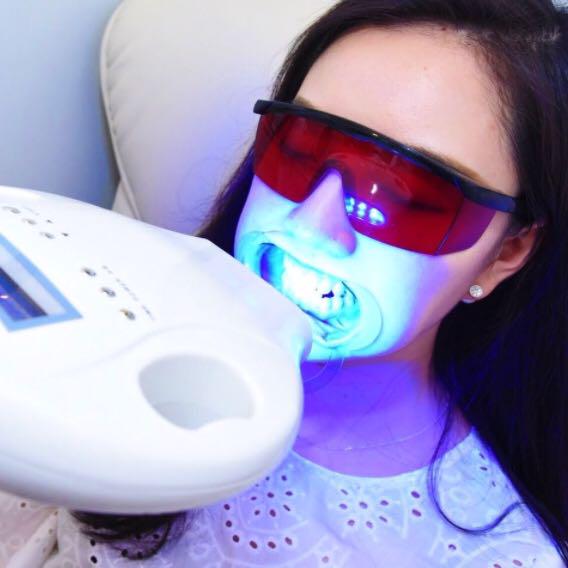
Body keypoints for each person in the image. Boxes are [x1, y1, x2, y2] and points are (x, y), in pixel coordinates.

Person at [1, 0, 567, 565]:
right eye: (300, 145)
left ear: (506, 250)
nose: (312, 225)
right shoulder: (109, 313)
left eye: (410, 196)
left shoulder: (505, 549)